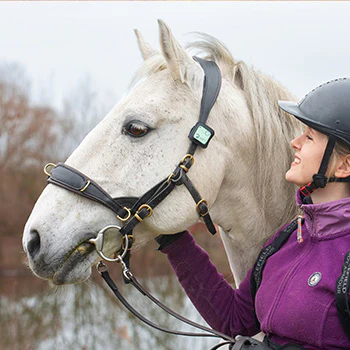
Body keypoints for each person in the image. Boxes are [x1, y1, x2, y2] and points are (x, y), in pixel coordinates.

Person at [155, 78, 350, 349]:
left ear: (344, 165)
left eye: (309, 137)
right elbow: (234, 320)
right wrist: (171, 238)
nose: (294, 142)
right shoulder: (286, 240)